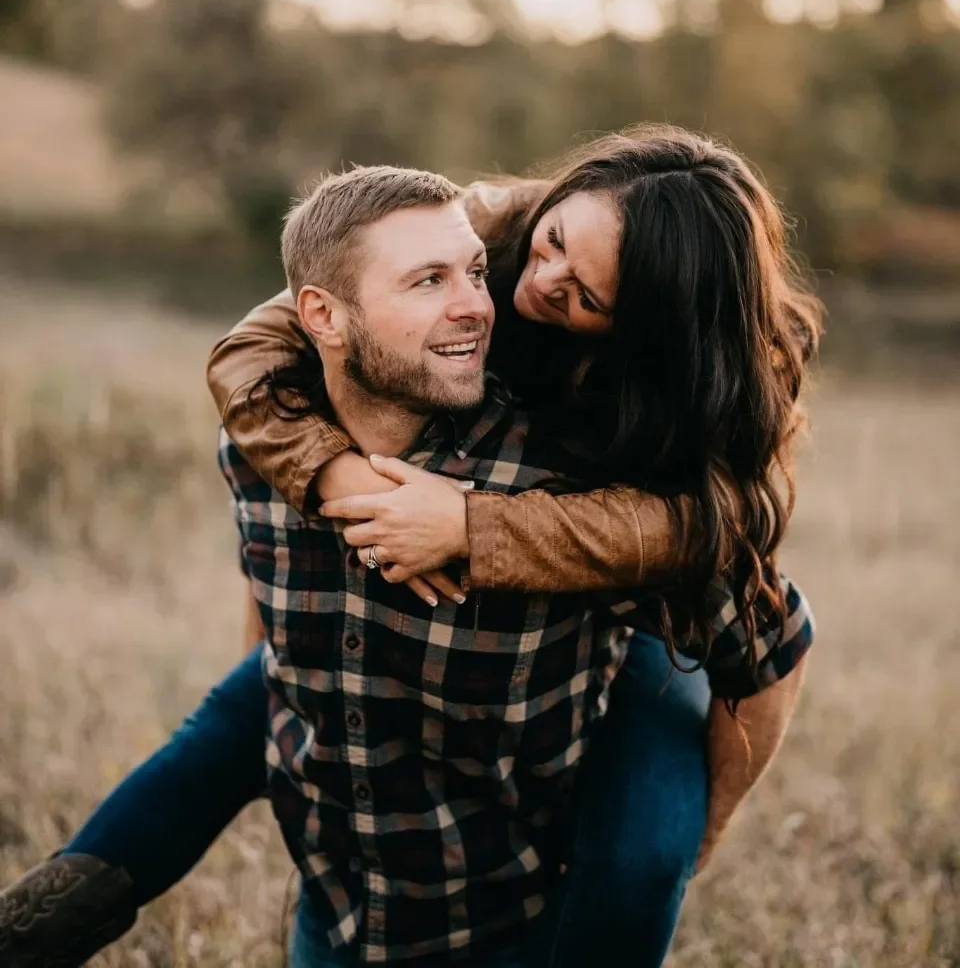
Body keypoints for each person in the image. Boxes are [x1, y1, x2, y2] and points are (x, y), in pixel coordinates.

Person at [0, 127, 818, 966]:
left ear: (634, 333)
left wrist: (473, 524)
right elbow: (262, 348)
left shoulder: (631, 432)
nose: (530, 288)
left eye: (584, 298)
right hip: (354, 881)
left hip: (611, 630)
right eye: (553, 246)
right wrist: (332, 480)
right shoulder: (483, 236)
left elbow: (737, 570)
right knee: (239, 714)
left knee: (641, 850)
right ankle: (54, 912)